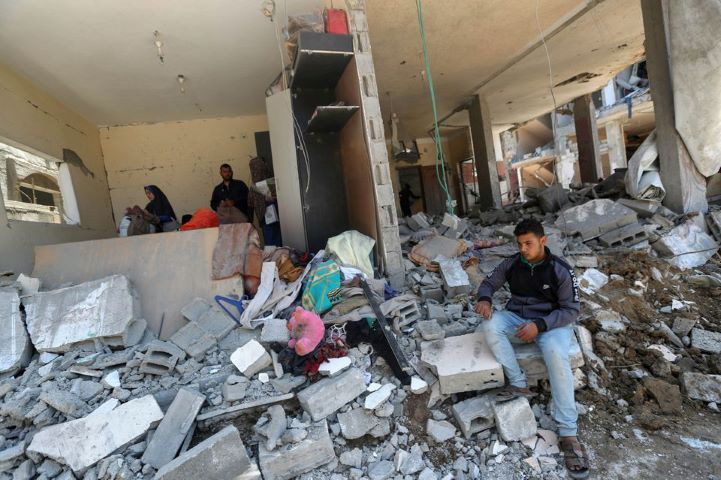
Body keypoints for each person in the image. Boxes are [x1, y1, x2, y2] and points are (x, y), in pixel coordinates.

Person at [474, 218, 588, 479]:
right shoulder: (513, 263)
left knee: (556, 355)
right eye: (520, 244)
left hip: (551, 324)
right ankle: (518, 382)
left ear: (543, 241)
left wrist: (540, 325)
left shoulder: (560, 269)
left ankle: (569, 433)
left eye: (529, 243)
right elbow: (489, 282)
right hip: (518, 320)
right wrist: (485, 298)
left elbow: (571, 310)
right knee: (490, 326)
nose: (523, 249)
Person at [248, 156, 282, 246]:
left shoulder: (253, 186)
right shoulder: (272, 181)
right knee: (275, 238)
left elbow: (250, 203)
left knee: (270, 240)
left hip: (265, 216)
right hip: (274, 214)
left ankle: (274, 258)